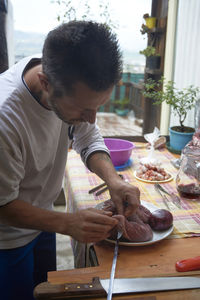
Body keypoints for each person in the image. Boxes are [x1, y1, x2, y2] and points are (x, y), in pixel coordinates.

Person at [0, 20, 140, 300]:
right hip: (7, 237)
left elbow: (87, 136)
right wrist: (67, 224)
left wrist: (114, 180)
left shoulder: (59, 75)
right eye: (83, 109)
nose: (92, 118)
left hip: (43, 219)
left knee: (46, 291)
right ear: (45, 83)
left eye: (98, 107)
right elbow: (3, 205)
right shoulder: (5, 118)